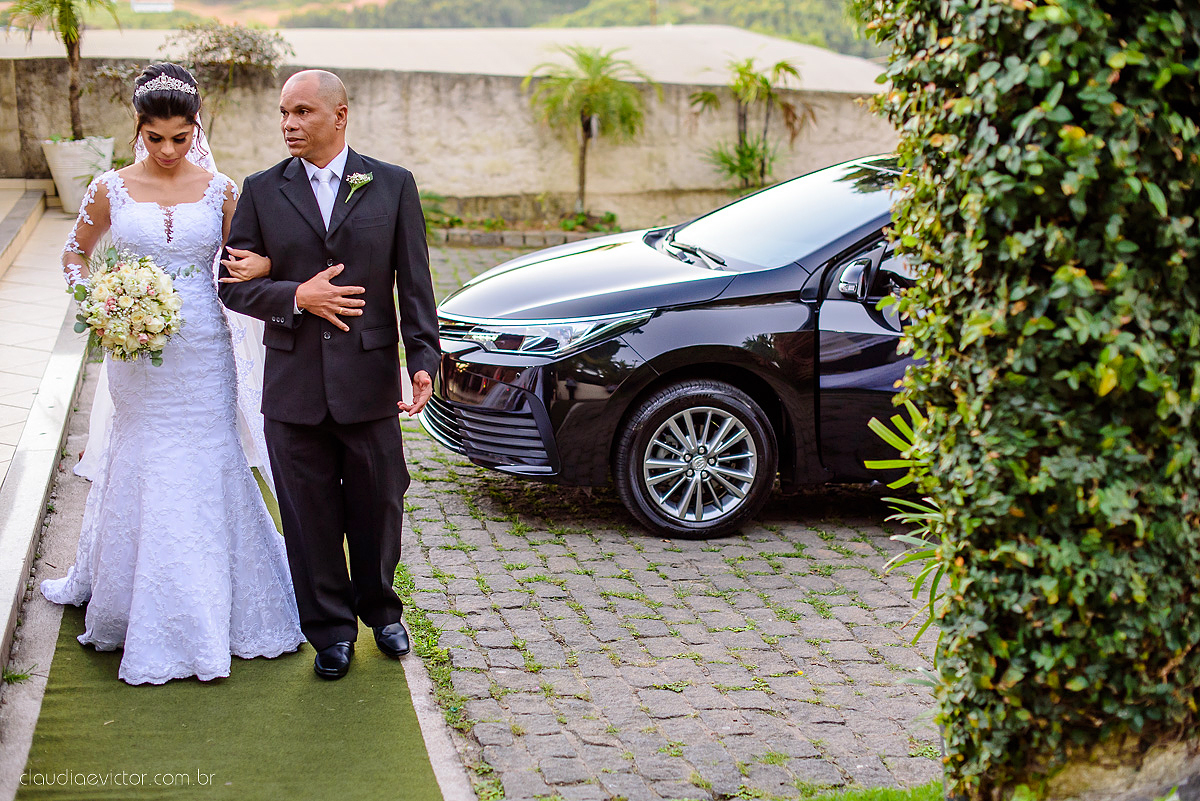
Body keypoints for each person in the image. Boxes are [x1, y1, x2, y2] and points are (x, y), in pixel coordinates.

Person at [41, 63, 305, 685]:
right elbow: (75, 252)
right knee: (145, 458)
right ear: (138, 129)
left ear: (196, 130)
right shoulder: (110, 188)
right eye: (155, 138)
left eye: (179, 138)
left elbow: (244, 263)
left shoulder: (222, 190)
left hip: (203, 351)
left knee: (206, 457)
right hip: (135, 354)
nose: (166, 151)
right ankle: (133, 600)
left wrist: (257, 265)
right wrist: (97, 304)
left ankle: (217, 606)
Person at [218, 70, 440, 680]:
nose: (289, 124)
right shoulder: (261, 191)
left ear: (340, 115)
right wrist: (296, 295)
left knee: (380, 502)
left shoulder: (392, 185)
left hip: (369, 379)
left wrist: (422, 360)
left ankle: (381, 610)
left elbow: (414, 283)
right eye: (284, 113)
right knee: (307, 513)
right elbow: (232, 289)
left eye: (303, 112)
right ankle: (329, 630)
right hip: (292, 387)